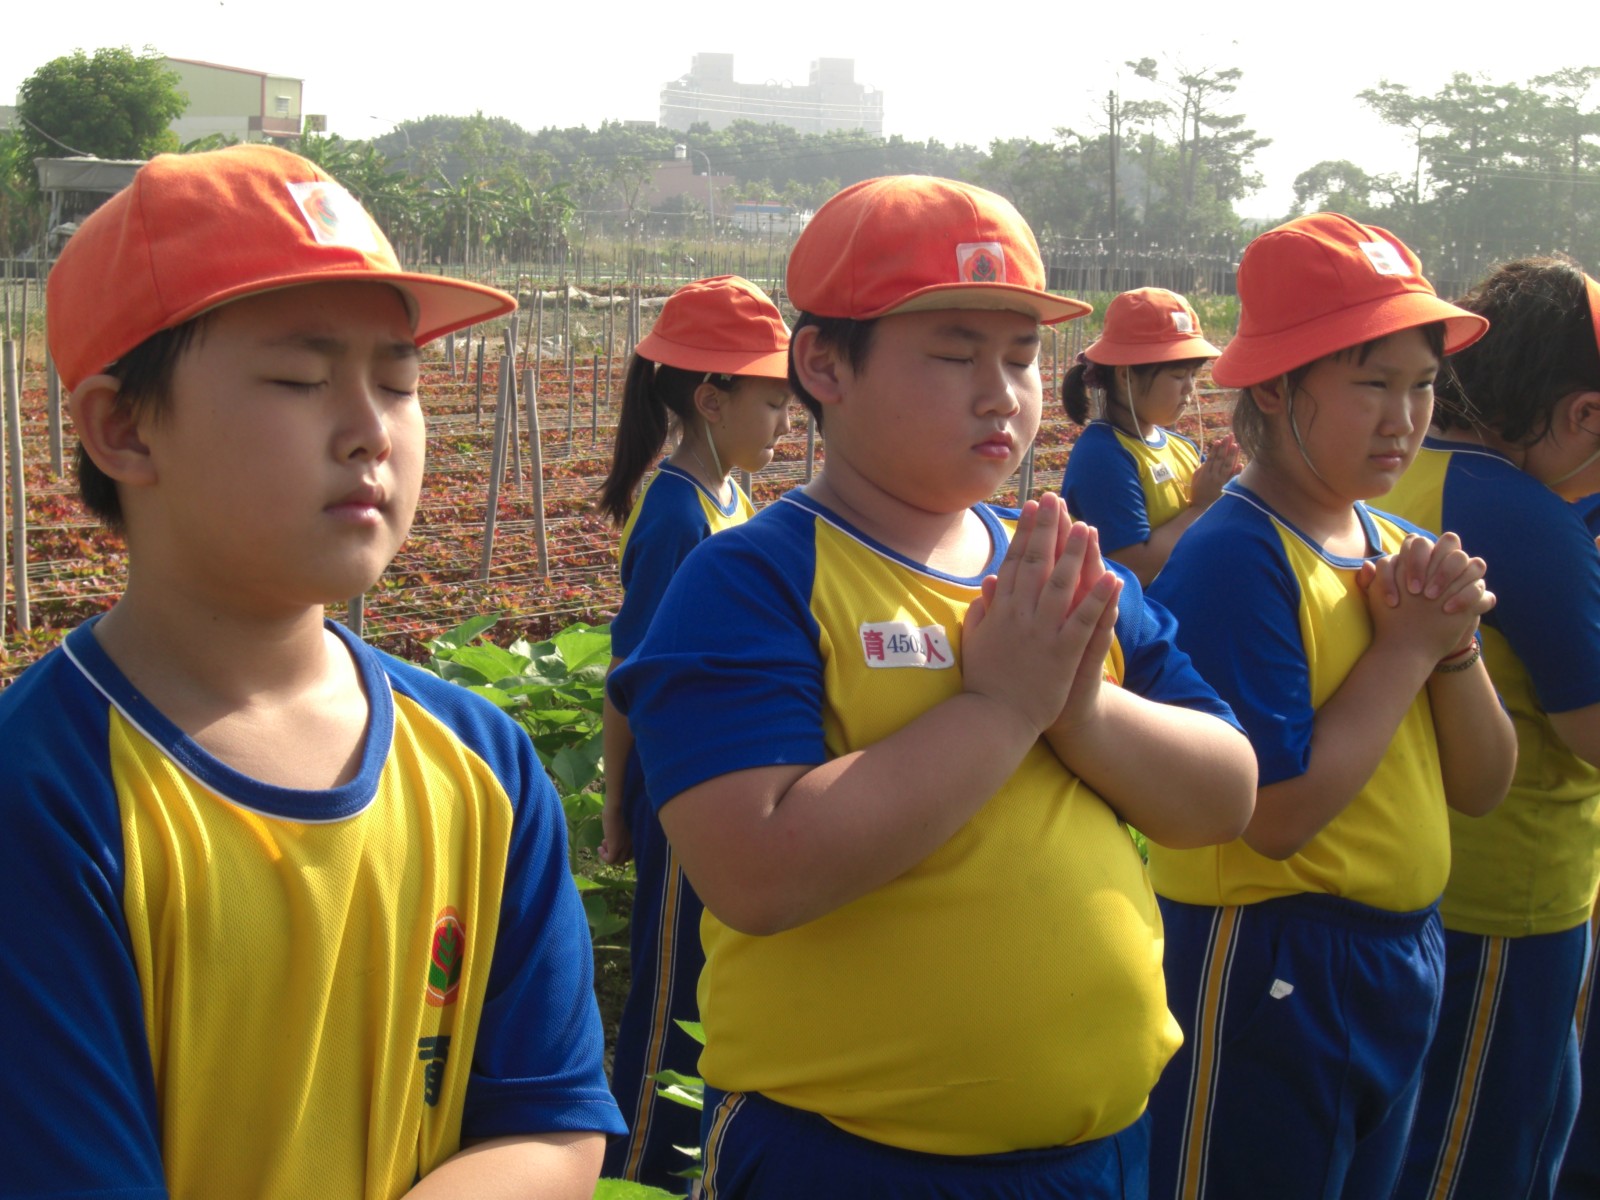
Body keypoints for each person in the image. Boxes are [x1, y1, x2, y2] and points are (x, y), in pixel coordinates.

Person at [609, 175, 1259, 1199]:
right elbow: (757, 869)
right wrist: (1002, 710)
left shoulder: (1058, 571)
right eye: (956, 355)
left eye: (1022, 357)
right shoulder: (755, 578)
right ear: (824, 363)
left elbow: (1223, 796)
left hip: (1099, 1157)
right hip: (848, 1162)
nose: (1001, 393)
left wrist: (1078, 706)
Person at [0, 144, 624, 1198]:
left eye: (399, 381)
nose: (371, 431)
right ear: (122, 427)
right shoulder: (44, 796)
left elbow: (552, 1125)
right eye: (299, 379)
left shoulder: (483, 762)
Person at [1146, 213, 1518, 1200]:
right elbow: (1273, 817)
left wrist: (1454, 646)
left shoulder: (1390, 544)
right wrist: (1407, 648)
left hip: (1400, 950)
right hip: (1271, 958)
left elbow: (1483, 784)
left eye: (1422, 384)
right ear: (1274, 387)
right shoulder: (1237, 557)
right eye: (1372, 384)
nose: (1405, 417)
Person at [1379, 257, 1600, 1200]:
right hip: (1514, 895)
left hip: (1423, 873)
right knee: (1482, 1156)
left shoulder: (1401, 474)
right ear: (1583, 413)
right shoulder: (1521, 520)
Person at [593, 274, 792, 1193]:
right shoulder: (677, 514)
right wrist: (618, 806)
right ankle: (638, 1168)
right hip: (682, 787)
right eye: (771, 402)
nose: (785, 422)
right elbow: (630, 680)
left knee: (710, 978)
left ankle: (693, 1155)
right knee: (673, 987)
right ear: (711, 400)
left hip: (723, 776)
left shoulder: (730, 495)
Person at [1059, 287, 1241, 583]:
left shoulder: (1184, 448)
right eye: (1178, 375)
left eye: (1193, 375)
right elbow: (1133, 567)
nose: (1189, 388)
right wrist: (1202, 507)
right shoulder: (1102, 455)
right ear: (1125, 375)